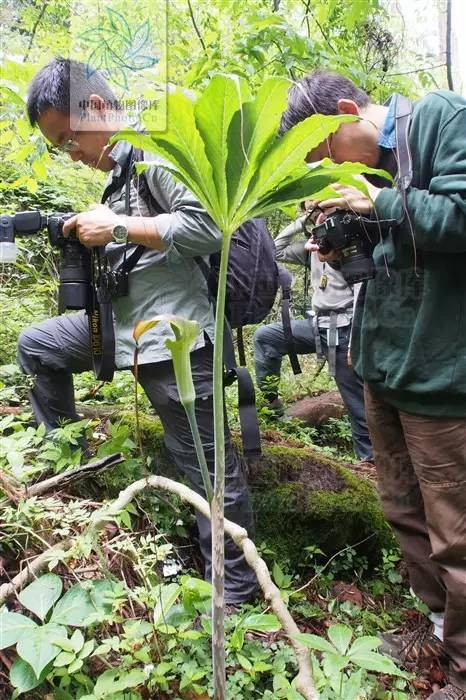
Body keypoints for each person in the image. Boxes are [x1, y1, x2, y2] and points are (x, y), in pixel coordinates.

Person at [17, 58, 258, 606]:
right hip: (124, 326)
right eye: (60, 145)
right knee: (37, 345)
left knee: (206, 468)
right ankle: (70, 469)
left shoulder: (159, 151)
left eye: (67, 137)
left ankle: (237, 601)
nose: (70, 152)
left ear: (97, 108)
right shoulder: (120, 172)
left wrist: (119, 226)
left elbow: (211, 227)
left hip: (176, 335)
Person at [279, 70, 466, 700]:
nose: (328, 168)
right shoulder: (371, 171)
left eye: (324, 151)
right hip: (384, 365)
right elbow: (400, 256)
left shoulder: (442, 118)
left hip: (441, 377)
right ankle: (437, 626)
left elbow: (461, 215)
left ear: (347, 110)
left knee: (457, 533)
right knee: (402, 509)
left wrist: (374, 204)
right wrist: (347, 245)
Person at [253, 214, 373, 464]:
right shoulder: (313, 250)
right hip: (317, 324)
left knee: (354, 400)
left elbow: (363, 293)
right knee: (266, 338)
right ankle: (272, 407)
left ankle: (369, 459)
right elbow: (275, 249)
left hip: (344, 328)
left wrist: (354, 343)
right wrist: (302, 220)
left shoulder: (350, 250)